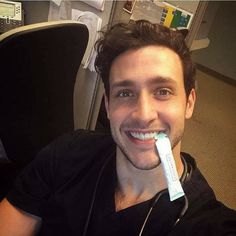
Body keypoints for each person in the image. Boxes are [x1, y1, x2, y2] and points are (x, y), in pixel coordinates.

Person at [0, 20, 235, 236]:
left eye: (162, 91)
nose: (144, 115)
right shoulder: (67, 153)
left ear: (189, 102)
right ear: (108, 105)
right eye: (125, 93)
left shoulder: (208, 224)